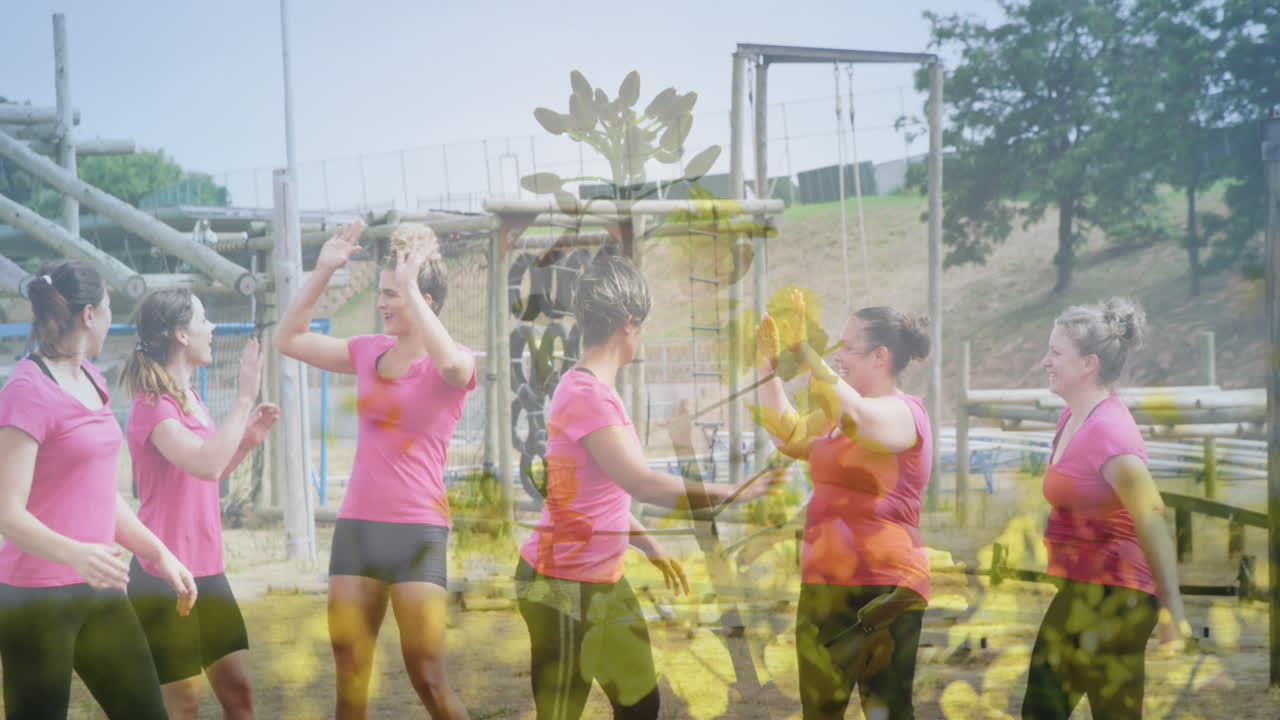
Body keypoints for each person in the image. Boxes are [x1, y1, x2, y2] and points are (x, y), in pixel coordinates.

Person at [516, 253, 778, 720]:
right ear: (629, 325)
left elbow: (595, 498)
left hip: (601, 581)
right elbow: (640, 482)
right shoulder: (586, 395)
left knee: (640, 706)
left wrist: (650, 546)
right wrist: (732, 491)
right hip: (560, 585)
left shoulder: (596, 390)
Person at [275, 220, 475, 720]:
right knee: (351, 678)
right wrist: (324, 270)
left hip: (417, 532)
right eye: (381, 292)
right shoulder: (367, 350)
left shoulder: (455, 361)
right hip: (358, 530)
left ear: (424, 300)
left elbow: (453, 368)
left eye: (391, 294)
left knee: (428, 678)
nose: (381, 303)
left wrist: (410, 285)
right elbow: (288, 338)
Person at [0, 259, 197, 719]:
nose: (111, 318)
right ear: (89, 314)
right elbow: (7, 510)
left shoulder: (93, 378)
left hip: (102, 590)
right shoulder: (26, 389)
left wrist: (159, 554)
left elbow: (98, 495)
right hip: (35, 600)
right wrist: (76, 554)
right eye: (108, 307)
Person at [754, 293, 933, 720]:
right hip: (824, 585)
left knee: (887, 712)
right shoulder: (837, 414)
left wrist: (805, 351)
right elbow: (788, 435)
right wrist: (767, 368)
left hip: (884, 587)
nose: (838, 356)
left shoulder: (903, 412)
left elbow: (860, 420)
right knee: (820, 711)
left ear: (880, 356)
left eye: (848, 347)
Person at [1021, 298, 1189, 719]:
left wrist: (1171, 611)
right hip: (1085, 588)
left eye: (1055, 352)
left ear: (1088, 364)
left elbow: (1152, 518)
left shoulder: (1111, 433)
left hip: (1117, 596)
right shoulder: (1071, 417)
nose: (1045, 361)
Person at [120, 289, 280, 720]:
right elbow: (206, 465)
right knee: (183, 707)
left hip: (208, 569)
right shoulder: (152, 406)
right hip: (164, 574)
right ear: (180, 335)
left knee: (240, 695)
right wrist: (244, 398)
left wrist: (245, 442)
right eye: (203, 319)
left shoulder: (189, 397)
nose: (212, 328)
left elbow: (206, 473)